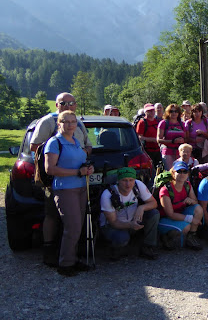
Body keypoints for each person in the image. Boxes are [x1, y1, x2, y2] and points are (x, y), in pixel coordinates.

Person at [30, 92, 91, 267]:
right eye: (64, 102)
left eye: (72, 103)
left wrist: (83, 165)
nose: (68, 105)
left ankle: (69, 257)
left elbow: (87, 146)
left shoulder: (77, 129)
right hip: (57, 183)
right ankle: (53, 253)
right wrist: (69, 163)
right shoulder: (48, 124)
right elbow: (36, 148)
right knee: (52, 216)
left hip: (78, 184)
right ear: (57, 105)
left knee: (74, 224)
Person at [44, 111, 95, 276]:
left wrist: (87, 169)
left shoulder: (75, 141)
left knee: (77, 227)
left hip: (80, 188)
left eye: (73, 121)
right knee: (72, 227)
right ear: (59, 124)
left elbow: (79, 163)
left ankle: (72, 260)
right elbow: (50, 169)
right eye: (66, 122)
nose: (71, 124)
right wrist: (77, 172)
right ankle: (65, 265)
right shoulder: (54, 143)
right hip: (65, 189)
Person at [100, 167, 160, 261]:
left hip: (132, 220)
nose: (128, 184)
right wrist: (131, 225)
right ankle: (115, 248)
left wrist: (142, 207)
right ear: (118, 181)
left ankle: (148, 246)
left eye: (131, 180)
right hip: (112, 226)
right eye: (124, 180)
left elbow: (153, 203)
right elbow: (113, 222)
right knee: (121, 238)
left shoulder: (138, 185)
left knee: (154, 214)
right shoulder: (108, 195)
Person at [157, 160, 204, 251]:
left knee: (198, 209)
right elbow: (170, 214)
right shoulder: (165, 190)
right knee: (186, 226)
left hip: (179, 214)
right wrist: (192, 219)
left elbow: (196, 202)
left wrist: (192, 201)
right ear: (173, 173)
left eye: (185, 171)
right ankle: (165, 238)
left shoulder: (187, 185)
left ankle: (191, 238)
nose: (182, 174)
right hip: (164, 219)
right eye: (179, 171)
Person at [157, 104, 186, 170]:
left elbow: (186, 138)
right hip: (167, 152)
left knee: (180, 171)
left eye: (176, 111)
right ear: (168, 112)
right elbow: (159, 140)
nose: (174, 113)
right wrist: (172, 141)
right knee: (170, 172)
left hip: (180, 152)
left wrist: (182, 140)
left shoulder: (182, 124)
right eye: (171, 111)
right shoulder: (163, 123)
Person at [136, 103, 161, 167]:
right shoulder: (142, 122)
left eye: (153, 110)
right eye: (149, 111)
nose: (152, 112)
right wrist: (152, 140)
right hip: (147, 151)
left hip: (158, 150)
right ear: (145, 112)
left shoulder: (157, 121)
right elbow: (139, 137)